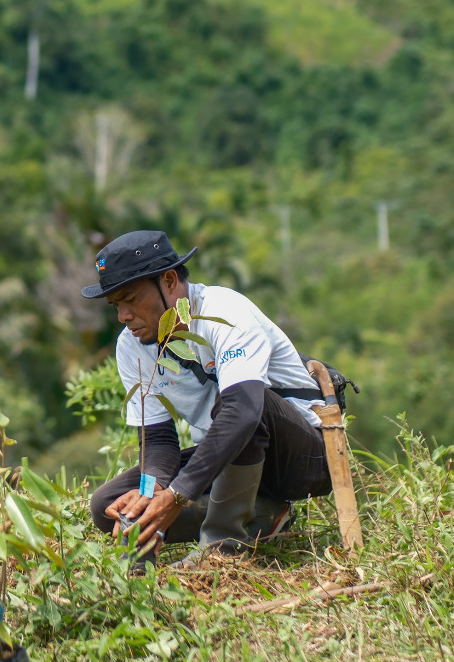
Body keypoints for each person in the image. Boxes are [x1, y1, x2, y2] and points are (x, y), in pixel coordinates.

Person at [83, 230, 334, 566]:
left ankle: (221, 551)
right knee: (108, 505)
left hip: (299, 462)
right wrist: (151, 492)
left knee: (237, 407)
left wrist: (177, 495)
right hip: (227, 460)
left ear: (169, 281)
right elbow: (157, 442)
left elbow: (244, 411)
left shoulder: (224, 312)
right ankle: (263, 517)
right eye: (116, 305)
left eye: (130, 299)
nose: (123, 316)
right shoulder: (132, 347)